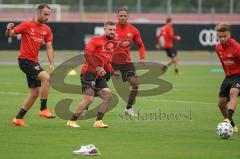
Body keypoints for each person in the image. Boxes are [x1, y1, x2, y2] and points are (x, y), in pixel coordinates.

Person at [6, 4, 55, 127]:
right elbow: (9, 34)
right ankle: (43, 109)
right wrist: (8, 29)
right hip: (25, 61)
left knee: (34, 93)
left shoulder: (47, 29)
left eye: (49, 14)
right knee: (46, 78)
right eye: (45, 14)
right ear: (38, 13)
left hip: (34, 62)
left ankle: (18, 118)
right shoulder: (27, 25)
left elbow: (49, 47)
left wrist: (51, 63)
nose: (47, 17)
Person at [67, 21, 118, 128]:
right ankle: (71, 121)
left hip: (99, 76)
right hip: (88, 73)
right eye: (110, 29)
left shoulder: (113, 44)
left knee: (108, 96)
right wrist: (97, 67)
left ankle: (98, 122)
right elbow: (87, 53)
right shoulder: (96, 40)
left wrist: (113, 72)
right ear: (105, 29)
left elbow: (107, 62)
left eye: (114, 30)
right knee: (88, 99)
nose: (112, 32)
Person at [111, 7, 146, 117]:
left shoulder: (133, 30)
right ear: (117, 16)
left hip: (126, 63)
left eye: (124, 16)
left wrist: (142, 57)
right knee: (97, 84)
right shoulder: (112, 29)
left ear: (128, 17)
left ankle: (128, 109)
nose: (122, 17)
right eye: (120, 15)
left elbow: (141, 45)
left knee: (135, 84)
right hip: (110, 61)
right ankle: (85, 108)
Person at [215, 23, 240, 133]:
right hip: (228, 77)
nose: (222, 39)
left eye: (224, 36)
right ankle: (232, 125)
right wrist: (227, 75)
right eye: (220, 37)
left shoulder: (236, 47)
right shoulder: (218, 47)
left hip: (239, 75)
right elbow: (223, 63)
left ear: (229, 34)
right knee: (221, 104)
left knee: (233, 93)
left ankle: (228, 120)